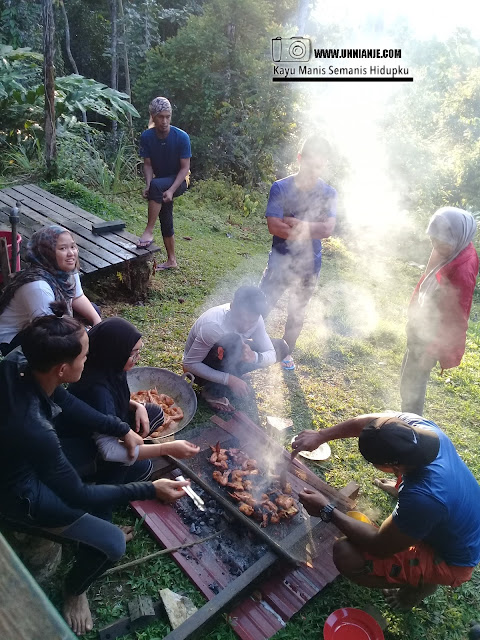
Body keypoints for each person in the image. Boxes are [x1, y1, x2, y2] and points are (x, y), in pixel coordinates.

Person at [0, 305, 188, 635]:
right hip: (20, 493)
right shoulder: (35, 430)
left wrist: (121, 427)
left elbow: (70, 403)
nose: (88, 360)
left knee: (112, 458)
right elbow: (79, 492)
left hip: (21, 455)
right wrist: (150, 489)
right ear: (62, 368)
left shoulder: (22, 362)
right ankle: (75, 591)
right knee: (111, 542)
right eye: (84, 357)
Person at [292, 413, 480, 610]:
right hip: (458, 518)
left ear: (392, 466)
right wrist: (321, 435)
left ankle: (420, 584)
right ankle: (404, 489)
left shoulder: (423, 498)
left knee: (346, 554)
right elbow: (368, 425)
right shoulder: (419, 428)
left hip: (454, 558)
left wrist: (327, 510)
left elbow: (379, 545)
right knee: (419, 500)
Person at [68, 317, 200, 465]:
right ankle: (107, 475)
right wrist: (165, 449)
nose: (138, 357)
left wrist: (137, 406)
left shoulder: (110, 367)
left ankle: (130, 448)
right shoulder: (96, 391)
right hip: (88, 447)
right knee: (143, 467)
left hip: (109, 424)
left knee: (153, 412)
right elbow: (108, 450)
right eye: (133, 353)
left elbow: (115, 399)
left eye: (139, 351)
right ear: (115, 353)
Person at [259, 136, 337, 370]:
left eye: (319, 165)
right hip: (280, 260)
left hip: (309, 264)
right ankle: (248, 344)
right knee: (263, 304)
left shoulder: (329, 193)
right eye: (310, 163)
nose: (314, 170)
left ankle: (286, 352)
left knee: (297, 312)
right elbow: (273, 226)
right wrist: (311, 229)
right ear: (300, 158)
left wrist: (294, 224)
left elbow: (327, 230)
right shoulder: (280, 187)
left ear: (324, 164)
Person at [400, 207, 478, 416]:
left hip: (431, 337)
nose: (435, 247)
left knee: (412, 389)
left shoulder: (463, 269)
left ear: (456, 238)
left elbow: (455, 318)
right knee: (407, 381)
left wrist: (433, 350)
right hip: (421, 329)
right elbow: (428, 278)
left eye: (440, 243)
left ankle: (411, 431)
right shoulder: (454, 247)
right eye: (432, 241)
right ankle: (406, 423)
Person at [183, 286, 289, 412]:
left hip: (226, 354)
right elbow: (189, 364)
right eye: (242, 319)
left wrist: (254, 356)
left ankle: (234, 373)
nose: (246, 326)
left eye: (251, 322)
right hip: (199, 368)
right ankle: (209, 391)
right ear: (232, 307)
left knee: (281, 347)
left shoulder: (256, 320)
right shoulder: (213, 326)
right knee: (232, 340)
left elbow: (271, 354)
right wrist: (229, 380)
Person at [0, 225, 101, 355]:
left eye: (73, 246)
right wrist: (86, 334)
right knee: (66, 346)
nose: (71, 253)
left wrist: (98, 324)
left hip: (45, 322)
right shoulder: (37, 287)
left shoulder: (66, 271)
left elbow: (77, 297)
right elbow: (52, 330)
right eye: (62, 248)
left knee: (94, 311)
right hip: (14, 338)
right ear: (46, 252)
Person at [136, 96, 191, 270]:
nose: (165, 121)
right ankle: (172, 260)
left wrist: (172, 190)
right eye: (161, 117)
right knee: (165, 216)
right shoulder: (147, 136)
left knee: (157, 186)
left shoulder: (181, 137)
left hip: (180, 180)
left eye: (168, 116)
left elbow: (184, 169)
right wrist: (147, 184)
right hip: (160, 182)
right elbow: (148, 164)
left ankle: (148, 231)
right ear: (153, 116)